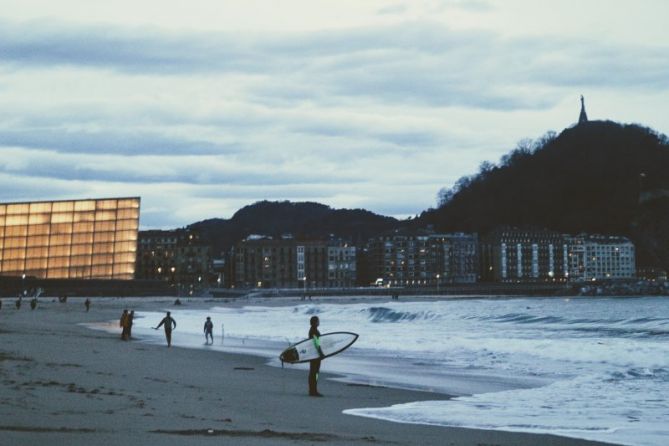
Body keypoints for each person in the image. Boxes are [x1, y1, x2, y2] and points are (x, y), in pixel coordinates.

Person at [308, 316, 326, 397]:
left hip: (313, 354)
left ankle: (312, 390)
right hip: (315, 355)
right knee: (315, 373)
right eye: (318, 321)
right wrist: (321, 353)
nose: (319, 322)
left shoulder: (312, 330)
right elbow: (316, 343)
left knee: (314, 372)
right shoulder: (314, 331)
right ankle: (313, 391)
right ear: (315, 322)